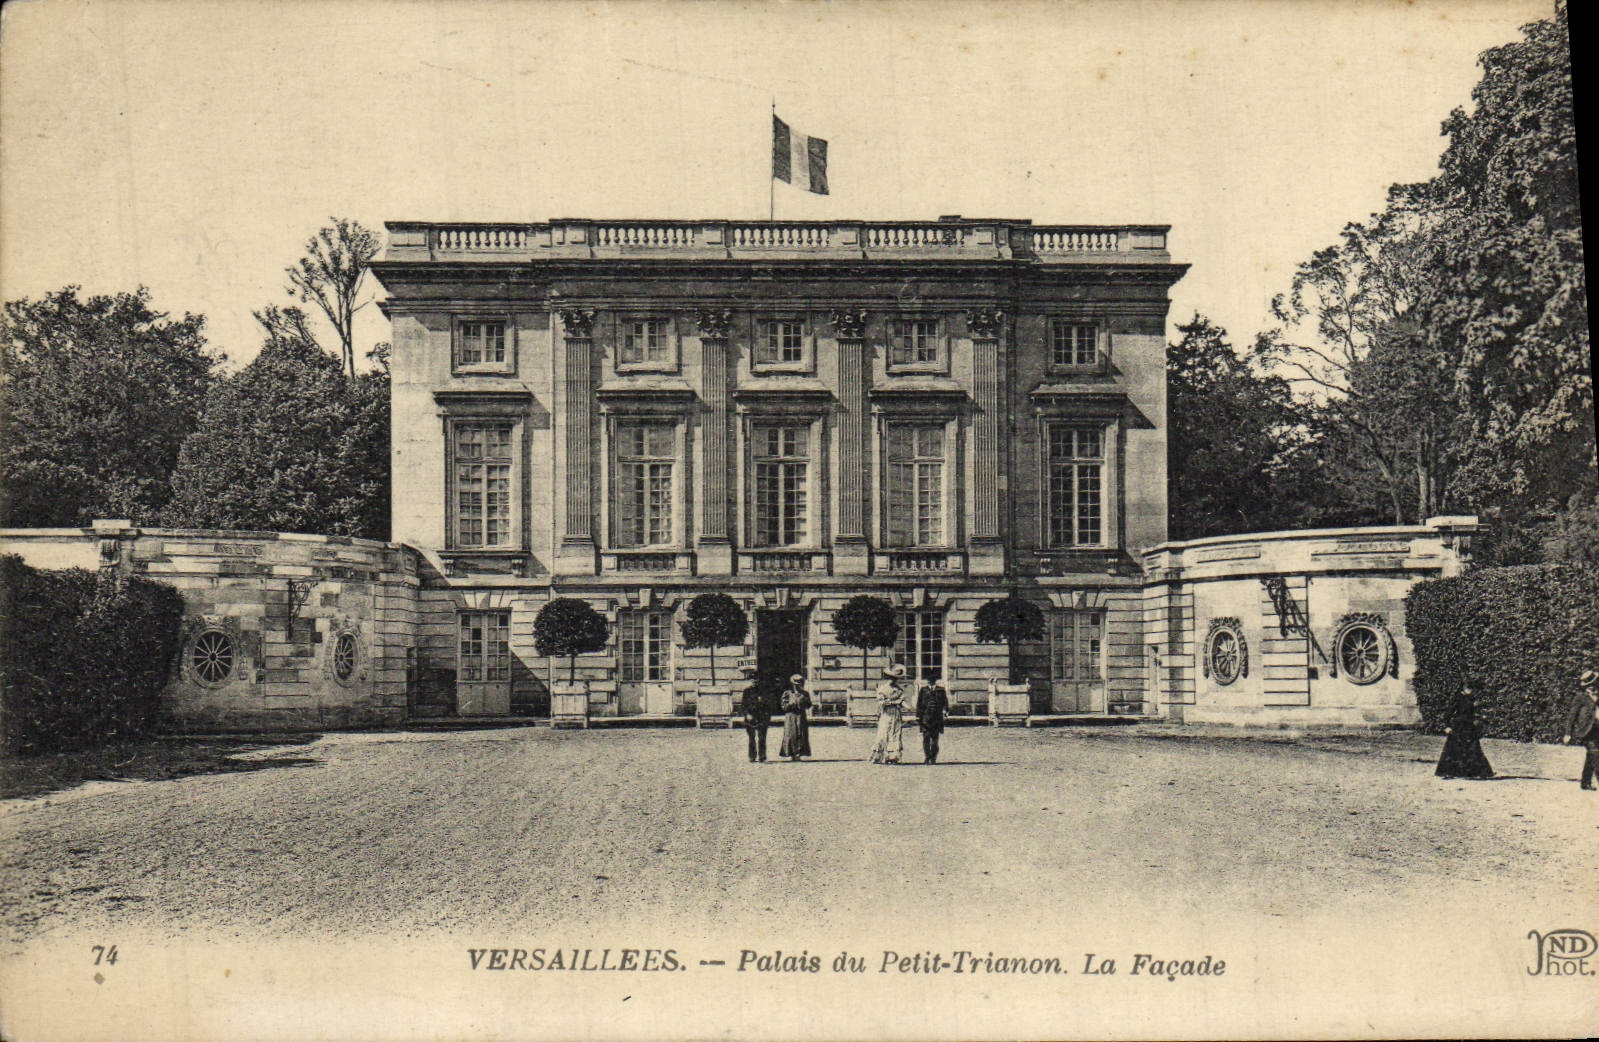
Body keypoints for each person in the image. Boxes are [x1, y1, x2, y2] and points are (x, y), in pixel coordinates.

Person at [1435, 683, 1494, 780]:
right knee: (1453, 749)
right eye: (1468, 689)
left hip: (1469, 727)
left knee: (1473, 748)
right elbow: (1449, 712)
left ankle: (1479, 773)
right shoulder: (1457, 698)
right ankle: (1448, 772)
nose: (1471, 691)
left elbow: (1474, 712)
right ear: (1463, 689)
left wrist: (1480, 718)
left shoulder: (1471, 699)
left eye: (1471, 689)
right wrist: (1447, 726)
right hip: (1458, 727)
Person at [1560, 669, 1599, 790]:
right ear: (1587, 686)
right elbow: (1572, 716)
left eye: (1595, 682)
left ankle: (1585, 782)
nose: (1594, 685)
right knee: (1596, 756)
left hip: (1598, 729)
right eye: (1591, 684)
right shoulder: (1580, 697)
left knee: (1591, 755)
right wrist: (1567, 733)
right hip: (1587, 731)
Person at [869, 664, 909, 765]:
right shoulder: (883, 689)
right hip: (886, 713)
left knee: (895, 733)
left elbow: (902, 702)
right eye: (891, 678)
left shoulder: (899, 690)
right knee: (883, 733)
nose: (893, 681)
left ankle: (892, 757)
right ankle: (879, 756)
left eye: (895, 679)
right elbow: (881, 702)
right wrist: (893, 702)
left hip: (896, 714)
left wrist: (908, 707)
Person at [739, 664, 776, 764]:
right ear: (750, 681)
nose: (754, 681)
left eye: (756, 679)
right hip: (750, 717)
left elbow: (769, 705)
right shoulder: (746, 691)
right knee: (751, 738)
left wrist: (766, 715)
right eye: (752, 680)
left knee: (762, 738)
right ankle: (752, 756)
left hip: (762, 717)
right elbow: (743, 705)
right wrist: (747, 714)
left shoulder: (764, 691)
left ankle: (762, 756)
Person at [915, 671, 950, 765]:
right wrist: (918, 716)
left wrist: (946, 711)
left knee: (935, 739)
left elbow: (945, 702)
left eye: (932, 680)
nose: (930, 681)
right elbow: (919, 704)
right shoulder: (923, 690)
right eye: (929, 680)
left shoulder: (941, 690)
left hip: (937, 717)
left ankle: (933, 757)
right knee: (926, 738)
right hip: (925, 717)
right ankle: (927, 757)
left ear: (935, 681)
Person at [779, 673, 812, 761]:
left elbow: (809, 704)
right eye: (796, 684)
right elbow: (783, 706)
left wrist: (803, 703)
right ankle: (790, 753)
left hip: (801, 716)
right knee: (791, 734)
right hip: (791, 716)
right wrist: (789, 704)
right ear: (792, 684)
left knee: (801, 733)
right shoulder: (787, 693)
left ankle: (799, 754)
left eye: (799, 684)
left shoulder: (805, 693)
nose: (797, 686)